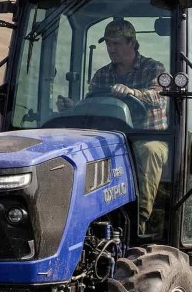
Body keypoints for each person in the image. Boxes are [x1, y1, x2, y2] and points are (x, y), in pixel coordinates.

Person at [57, 19, 168, 234]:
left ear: (132, 43)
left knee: (149, 151)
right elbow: (92, 103)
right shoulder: (103, 74)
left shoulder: (153, 68)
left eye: (116, 44)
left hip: (147, 136)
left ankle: (140, 220)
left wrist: (133, 92)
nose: (111, 49)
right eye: (108, 44)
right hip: (113, 138)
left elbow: (160, 97)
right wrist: (74, 106)